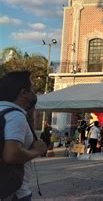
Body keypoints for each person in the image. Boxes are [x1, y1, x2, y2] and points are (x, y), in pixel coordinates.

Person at [0, 71, 48, 200]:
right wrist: (36, 151)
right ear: (24, 93)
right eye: (32, 89)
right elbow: (11, 154)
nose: (34, 93)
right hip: (14, 192)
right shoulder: (15, 116)